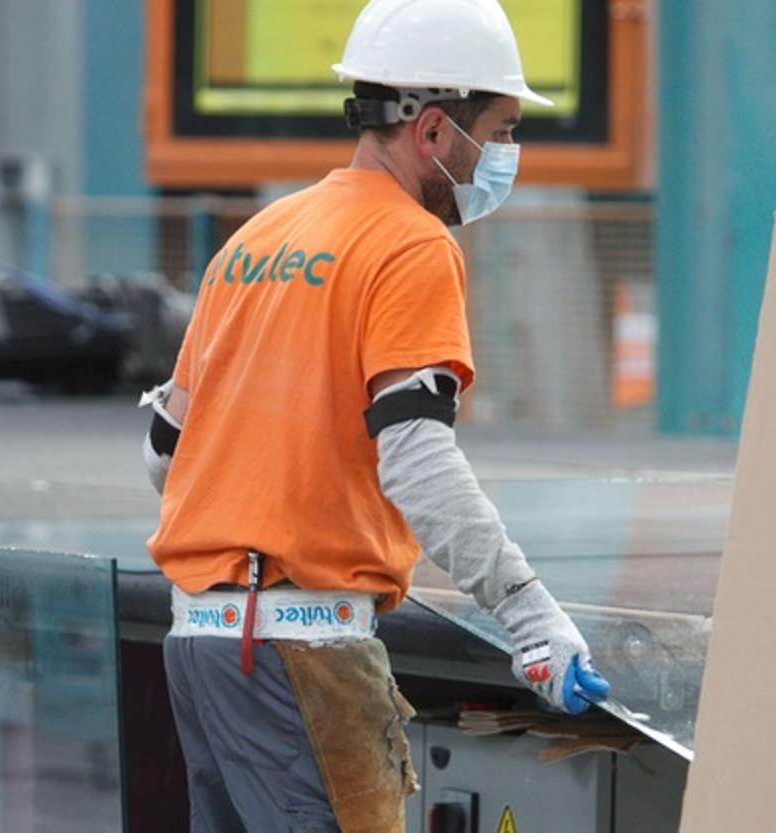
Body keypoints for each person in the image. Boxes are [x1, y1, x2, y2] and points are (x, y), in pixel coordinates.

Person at [141, 1, 611, 830]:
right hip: (300, 656)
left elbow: (162, 454)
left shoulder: (255, 241)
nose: (506, 154)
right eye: (499, 130)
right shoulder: (412, 245)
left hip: (200, 648)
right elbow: (417, 461)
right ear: (432, 131)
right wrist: (533, 620)